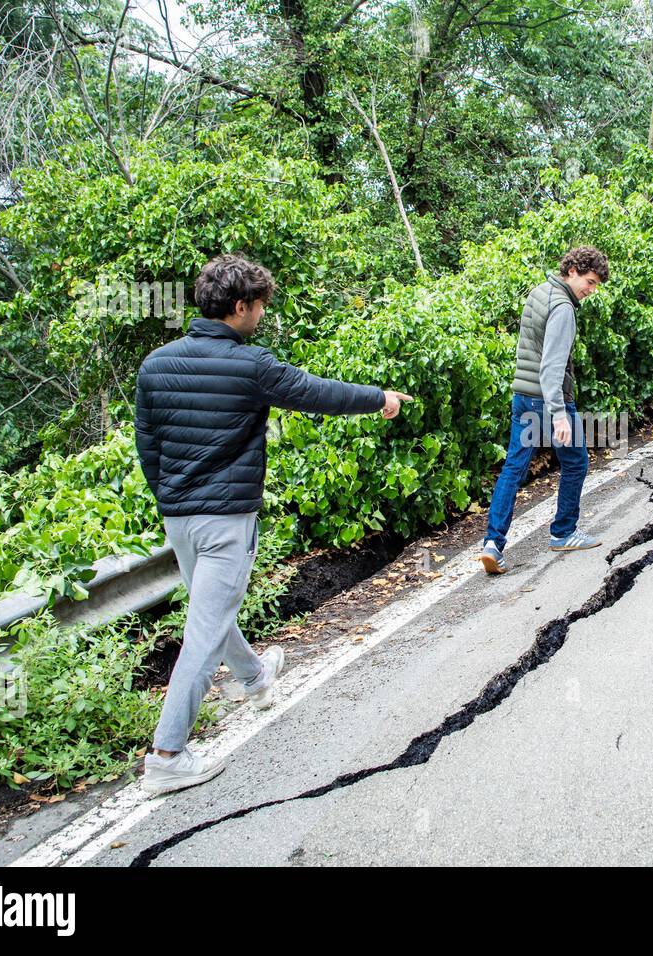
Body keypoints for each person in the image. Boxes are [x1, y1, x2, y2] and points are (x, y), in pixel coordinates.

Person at [134, 253, 413, 796]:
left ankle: (254, 678)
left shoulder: (156, 365)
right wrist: (380, 397)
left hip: (179, 518)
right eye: (259, 306)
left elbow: (150, 448)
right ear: (239, 307)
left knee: (212, 611)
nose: (262, 316)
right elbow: (316, 393)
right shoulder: (251, 364)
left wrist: (171, 496)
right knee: (205, 630)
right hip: (225, 521)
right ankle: (168, 755)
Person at [477, 246, 609, 574]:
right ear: (573, 271)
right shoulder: (563, 307)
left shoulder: (540, 292)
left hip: (522, 394)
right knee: (576, 462)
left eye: (595, 285)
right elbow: (552, 365)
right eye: (589, 282)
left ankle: (493, 544)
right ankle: (563, 532)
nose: (591, 291)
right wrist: (560, 413)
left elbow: (530, 351)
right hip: (548, 400)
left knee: (513, 468)